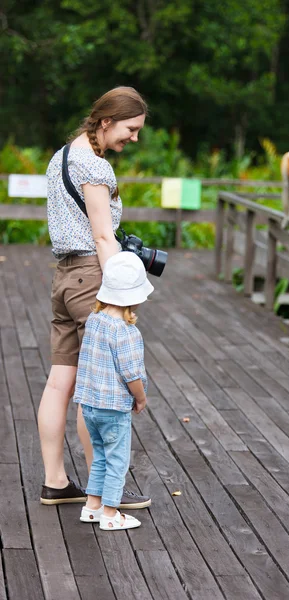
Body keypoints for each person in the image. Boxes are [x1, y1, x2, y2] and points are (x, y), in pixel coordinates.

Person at [39, 86, 151, 509]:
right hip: (91, 277)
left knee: (60, 380)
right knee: (99, 387)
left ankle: (56, 482)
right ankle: (104, 490)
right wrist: (122, 290)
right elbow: (104, 236)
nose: (134, 138)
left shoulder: (63, 155)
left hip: (65, 277)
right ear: (106, 122)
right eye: (131, 128)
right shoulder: (95, 167)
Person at [76, 252, 153, 530]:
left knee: (100, 455)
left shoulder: (94, 321)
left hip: (90, 406)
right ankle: (111, 513)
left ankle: (92, 506)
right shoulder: (126, 332)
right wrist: (140, 397)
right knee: (117, 460)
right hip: (113, 408)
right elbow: (131, 373)